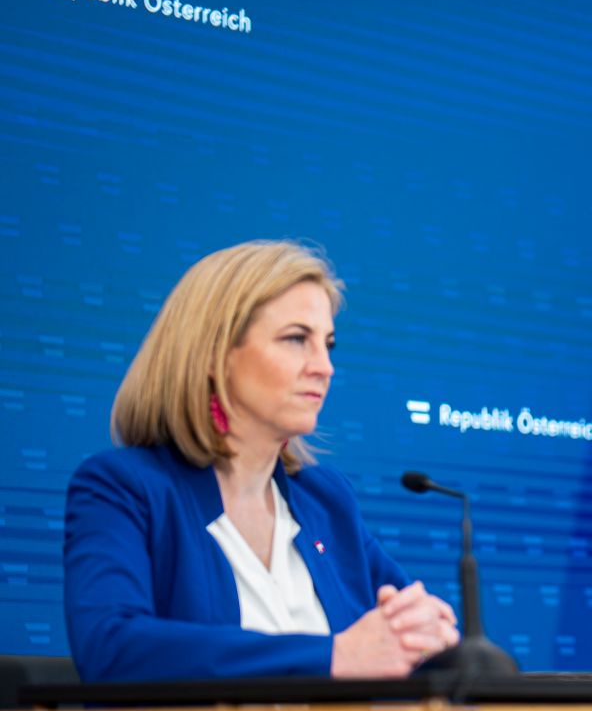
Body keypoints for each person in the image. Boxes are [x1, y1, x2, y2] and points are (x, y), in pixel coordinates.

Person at [63, 240, 459, 682]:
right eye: (296, 339)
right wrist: (333, 657)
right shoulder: (125, 489)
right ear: (214, 354)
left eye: (328, 344)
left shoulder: (325, 501)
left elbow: (401, 624)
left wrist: (427, 628)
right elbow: (112, 646)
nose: (324, 367)